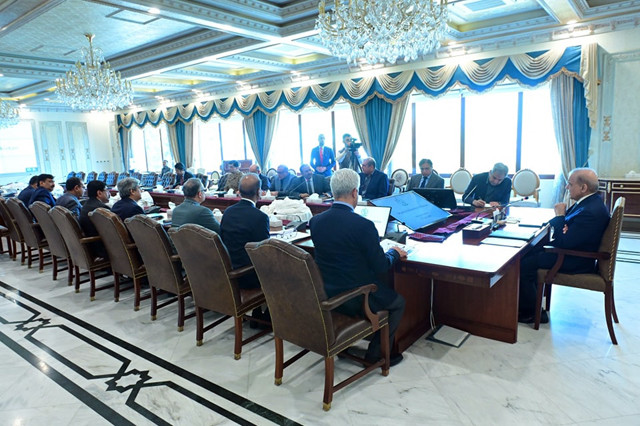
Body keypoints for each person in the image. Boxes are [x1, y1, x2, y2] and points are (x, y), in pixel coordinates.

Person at [309, 168, 407, 366]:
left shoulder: (316, 221)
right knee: (398, 303)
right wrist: (394, 252)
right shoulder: (363, 225)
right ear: (355, 192)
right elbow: (381, 265)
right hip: (357, 296)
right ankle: (376, 355)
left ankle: (347, 346)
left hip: (327, 292)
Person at [518, 168, 610, 324]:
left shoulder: (590, 211)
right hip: (572, 252)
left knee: (523, 263)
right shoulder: (589, 202)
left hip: (575, 260)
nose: (567, 187)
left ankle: (532, 313)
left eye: (570, 184)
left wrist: (560, 216)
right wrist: (563, 225)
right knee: (527, 252)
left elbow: (564, 242)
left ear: (583, 188)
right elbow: (567, 229)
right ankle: (528, 302)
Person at [220, 174, 269, 289]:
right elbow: (265, 252)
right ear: (258, 192)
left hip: (228, 268)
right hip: (248, 274)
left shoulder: (228, 212)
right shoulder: (260, 217)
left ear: (239, 191)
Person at [79, 180, 111, 259]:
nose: (109, 193)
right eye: (106, 190)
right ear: (99, 193)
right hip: (101, 248)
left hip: (91, 246)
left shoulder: (86, 204)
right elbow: (113, 231)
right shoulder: (101, 209)